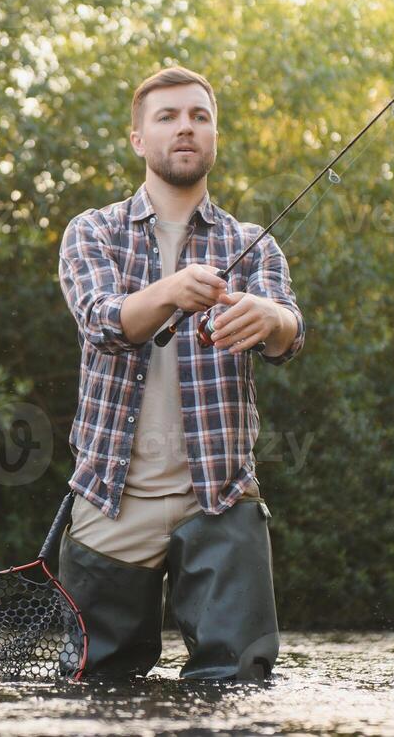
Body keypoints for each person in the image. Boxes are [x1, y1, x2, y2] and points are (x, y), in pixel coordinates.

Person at [55, 66, 306, 681]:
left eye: (199, 116)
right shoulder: (93, 232)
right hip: (110, 498)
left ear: (214, 135)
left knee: (239, 688)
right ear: (139, 139)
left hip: (220, 496)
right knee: (96, 693)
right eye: (167, 117)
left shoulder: (255, 243)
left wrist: (270, 319)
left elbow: (289, 331)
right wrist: (169, 291)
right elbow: (104, 322)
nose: (185, 128)